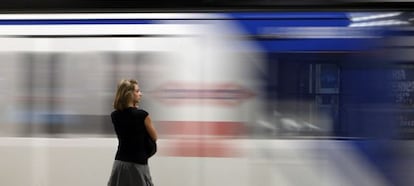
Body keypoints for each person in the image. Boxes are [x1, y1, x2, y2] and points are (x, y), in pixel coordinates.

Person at [108, 79, 158, 186]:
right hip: (138, 164)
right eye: (137, 91)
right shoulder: (143, 115)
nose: (141, 94)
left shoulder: (115, 116)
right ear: (129, 94)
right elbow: (154, 137)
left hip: (120, 163)